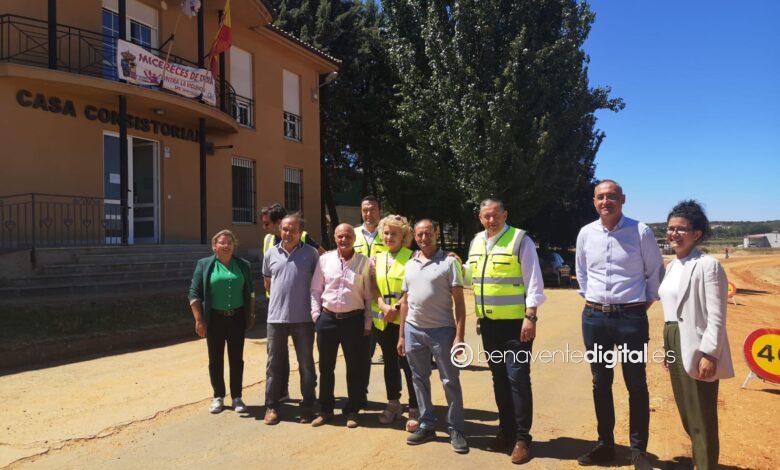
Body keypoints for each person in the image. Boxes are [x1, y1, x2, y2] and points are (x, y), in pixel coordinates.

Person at [575, 180, 664, 469]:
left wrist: (638, 306)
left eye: (611, 196)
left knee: (636, 383)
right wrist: (595, 301)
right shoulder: (586, 233)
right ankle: (605, 444)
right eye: (600, 197)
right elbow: (582, 274)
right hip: (595, 318)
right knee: (600, 382)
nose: (606, 201)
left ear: (622, 199)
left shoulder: (641, 231)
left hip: (631, 320)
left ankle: (638, 450)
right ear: (594, 201)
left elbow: (655, 273)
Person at [467, 198, 546, 464]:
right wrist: (453, 265)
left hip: (516, 326)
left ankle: (523, 439)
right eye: (486, 216)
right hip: (489, 325)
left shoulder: (520, 239)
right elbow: (470, 276)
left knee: (518, 379)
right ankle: (506, 431)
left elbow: (534, 281)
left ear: (505, 215)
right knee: (499, 379)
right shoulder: (477, 241)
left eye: (495, 215)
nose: (491, 220)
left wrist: (531, 316)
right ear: (480, 218)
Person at [659, 200, 734, 470]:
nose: (674, 234)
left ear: (697, 234)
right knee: (687, 412)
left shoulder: (707, 265)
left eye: (681, 229)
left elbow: (717, 314)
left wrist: (710, 353)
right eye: (671, 228)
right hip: (674, 339)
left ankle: (705, 465)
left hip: (697, 344)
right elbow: (671, 310)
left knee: (701, 415)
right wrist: (667, 348)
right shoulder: (671, 266)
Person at [398, 219, 469, 454]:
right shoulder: (410, 263)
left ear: (436, 233)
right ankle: (427, 424)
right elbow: (405, 302)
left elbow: (460, 303)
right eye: (419, 234)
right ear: (415, 236)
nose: (424, 238)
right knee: (419, 379)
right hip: (413, 330)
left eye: (428, 233)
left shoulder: (449, 262)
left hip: (442, 331)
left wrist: (459, 337)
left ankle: (456, 428)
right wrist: (401, 335)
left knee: (450, 380)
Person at [310, 223, 373, 428]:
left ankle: (352, 410)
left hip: (354, 321)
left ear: (354, 238)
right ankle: (325, 410)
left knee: (354, 367)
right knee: (326, 367)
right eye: (340, 236)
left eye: (347, 236)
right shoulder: (324, 260)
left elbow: (369, 296)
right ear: (334, 238)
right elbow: (316, 290)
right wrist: (316, 315)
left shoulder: (364, 262)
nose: (343, 240)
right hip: (327, 320)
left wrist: (367, 322)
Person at [260, 203, 324, 402]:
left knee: (306, 364)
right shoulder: (270, 252)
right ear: (280, 229)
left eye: (293, 230)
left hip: (303, 318)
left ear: (300, 232)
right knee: (274, 365)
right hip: (276, 318)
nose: (288, 233)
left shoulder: (311, 253)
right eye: (285, 229)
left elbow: (319, 281)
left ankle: (308, 404)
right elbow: (267, 281)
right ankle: (272, 404)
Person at [188, 229, 255, 414]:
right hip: (214, 319)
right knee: (215, 359)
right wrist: (199, 320)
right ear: (214, 246)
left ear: (234, 246)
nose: (226, 246)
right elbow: (194, 293)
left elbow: (250, 292)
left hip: (237, 318)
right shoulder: (204, 265)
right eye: (222, 243)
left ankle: (237, 397)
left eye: (230, 243)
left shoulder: (244, 265)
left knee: (236, 359)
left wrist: (251, 314)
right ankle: (218, 396)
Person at [369, 214, 419, 431]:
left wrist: (396, 307)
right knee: (389, 363)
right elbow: (373, 286)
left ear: (404, 236)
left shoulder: (412, 257)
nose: (389, 237)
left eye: (394, 233)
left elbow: (413, 287)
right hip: (383, 320)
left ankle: (415, 406)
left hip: (405, 321)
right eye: (386, 233)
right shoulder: (376, 258)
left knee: (408, 365)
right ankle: (393, 403)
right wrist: (382, 306)